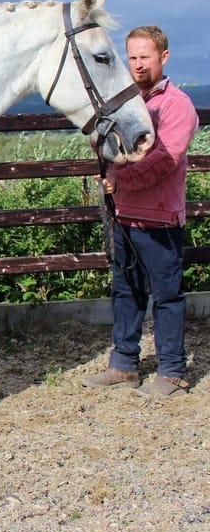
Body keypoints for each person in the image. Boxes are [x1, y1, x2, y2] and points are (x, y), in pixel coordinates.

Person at [82, 25, 199, 396]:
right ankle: (124, 364)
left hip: (159, 217)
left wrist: (122, 180)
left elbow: (166, 159)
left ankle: (173, 371)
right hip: (125, 215)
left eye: (144, 57)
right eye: (131, 57)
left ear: (163, 57)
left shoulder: (177, 105)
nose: (137, 65)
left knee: (166, 295)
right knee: (125, 291)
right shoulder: (128, 104)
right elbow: (103, 146)